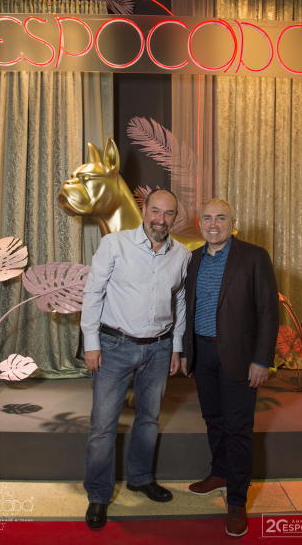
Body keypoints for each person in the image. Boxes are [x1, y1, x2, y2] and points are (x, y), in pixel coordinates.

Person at [81, 188, 191, 529]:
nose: (161, 219)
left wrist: (176, 347)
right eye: (155, 211)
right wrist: (91, 343)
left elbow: (179, 301)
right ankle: (99, 495)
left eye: (168, 213)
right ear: (145, 210)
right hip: (114, 346)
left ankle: (141, 478)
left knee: (149, 419)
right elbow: (93, 292)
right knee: (103, 425)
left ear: (175, 217)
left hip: (159, 349)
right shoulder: (115, 244)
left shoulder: (182, 254)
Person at [181, 198, 279, 538]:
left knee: (238, 429)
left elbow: (268, 311)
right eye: (207, 218)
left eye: (221, 218)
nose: (213, 224)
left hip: (240, 357)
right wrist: (185, 352)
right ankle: (219, 473)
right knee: (214, 420)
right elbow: (186, 308)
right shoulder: (193, 258)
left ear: (233, 223)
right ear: (200, 223)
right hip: (202, 354)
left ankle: (237, 500)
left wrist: (262, 359)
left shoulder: (253, 256)